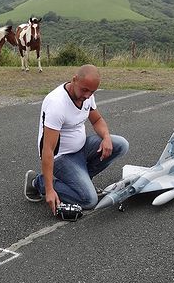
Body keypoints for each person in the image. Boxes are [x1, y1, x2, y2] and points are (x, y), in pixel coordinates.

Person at [24, 64, 129, 215]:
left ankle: (82, 181)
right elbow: (48, 149)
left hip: (81, 148)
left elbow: (97, 120)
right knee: (89, 200)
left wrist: (106, 137)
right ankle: (37, 182)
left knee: (120, 144)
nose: (87, 95)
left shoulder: (87, 96)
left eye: (92, 91)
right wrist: (48, 189)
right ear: (74, 80)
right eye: (84, 90)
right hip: (61, 157)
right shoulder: (57, 104)